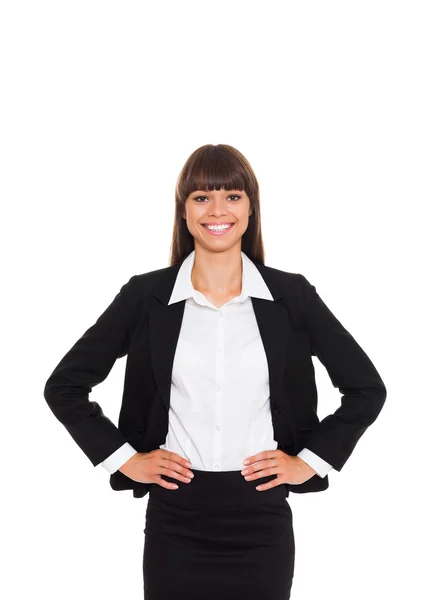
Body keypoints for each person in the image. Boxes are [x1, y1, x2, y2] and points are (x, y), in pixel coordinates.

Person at [44, 143, 387, 599]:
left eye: (232, 195)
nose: (217, 210)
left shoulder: (292, 296)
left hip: (261, 516)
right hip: (175, 517)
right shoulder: (145, 297)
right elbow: (64, 386)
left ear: (251, 209)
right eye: (202, 197)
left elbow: (366, 389)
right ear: (184, 211)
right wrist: (126, 459)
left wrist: (309, 462)